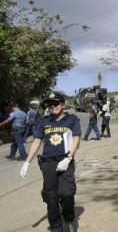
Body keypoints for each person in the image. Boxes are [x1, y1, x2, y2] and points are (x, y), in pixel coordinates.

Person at [19, 92, 81, 232]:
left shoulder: (72, 120)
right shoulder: (44, 122)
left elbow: (76, 139)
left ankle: (69, 219)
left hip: (66, 161)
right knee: (51, 196)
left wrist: (69, 158)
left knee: (66, 193)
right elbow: (36, 142)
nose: (53, 106)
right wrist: (27, 162)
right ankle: (56, 226)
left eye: (56, 103)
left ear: (63, 105)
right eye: (50, 104)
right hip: (48, 163)